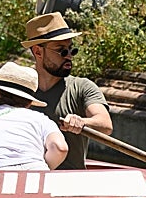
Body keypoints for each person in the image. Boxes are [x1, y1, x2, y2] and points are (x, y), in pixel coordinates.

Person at [22, 11, 113, 169]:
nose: (69, 56)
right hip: (25, 182)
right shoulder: (16, 89)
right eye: (61, 51)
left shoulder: (82, 87)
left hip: (69, 184)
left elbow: (105, 125)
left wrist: (82, 122)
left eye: (71, 50)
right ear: (38, 51)